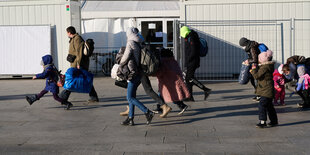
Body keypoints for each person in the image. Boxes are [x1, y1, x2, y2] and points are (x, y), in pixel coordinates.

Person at [119, 27, 155, 126]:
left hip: (133, 73)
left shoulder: (130, 42)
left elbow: (125, 57)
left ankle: (147, 112)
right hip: (140, 72)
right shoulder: (140, 41)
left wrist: (120, 63)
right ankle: (130, 118)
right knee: (132, 96)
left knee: (129, 97)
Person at [59, 26, 99, 103]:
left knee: (72, 79)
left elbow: (79, 52)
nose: (67, 34)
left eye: (67, 32)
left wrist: (78, 64)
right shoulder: (74, 39)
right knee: (84, 79)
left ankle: (63, 97)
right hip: (76, 63)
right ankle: (93, 96)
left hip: (79, 64)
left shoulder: (77, 38)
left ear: (69, 32)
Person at [180, 26, 211, 101]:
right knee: (188, 79)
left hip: (192, 61)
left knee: (189, 78)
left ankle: (206, 90)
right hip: (192, 61)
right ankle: (190, 97)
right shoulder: (190, 37)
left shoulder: (192, 37)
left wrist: (189, 60)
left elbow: (194, 51)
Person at [156, 48, 190, 116]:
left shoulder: (163, 62)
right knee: (165, 94)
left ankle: (181, 105)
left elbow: (162, 72)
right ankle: (160, 107)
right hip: (174, 80)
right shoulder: (173, 60)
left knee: (169, 95)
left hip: (167, 81)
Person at [250, 50, 278, 128]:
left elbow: (257, 76)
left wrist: (253, 69)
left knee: (262, 105)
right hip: (268, 89)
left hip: (266, 90)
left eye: (259, 58)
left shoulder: (265, 67)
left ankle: (262, 122)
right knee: (269, 106)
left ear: (262, 59)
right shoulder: (267, 66)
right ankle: (274, 121)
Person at [239, 37, 261, 102]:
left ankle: (259, 95)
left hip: (256, 66)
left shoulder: (252, 48)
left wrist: (248, 61)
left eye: (243, 45)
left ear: (245, 44)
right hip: (254, 65)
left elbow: (255, 59)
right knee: (253, 80)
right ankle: (258, 94)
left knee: (255, 80)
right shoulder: (250, 47)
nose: (243, 47)